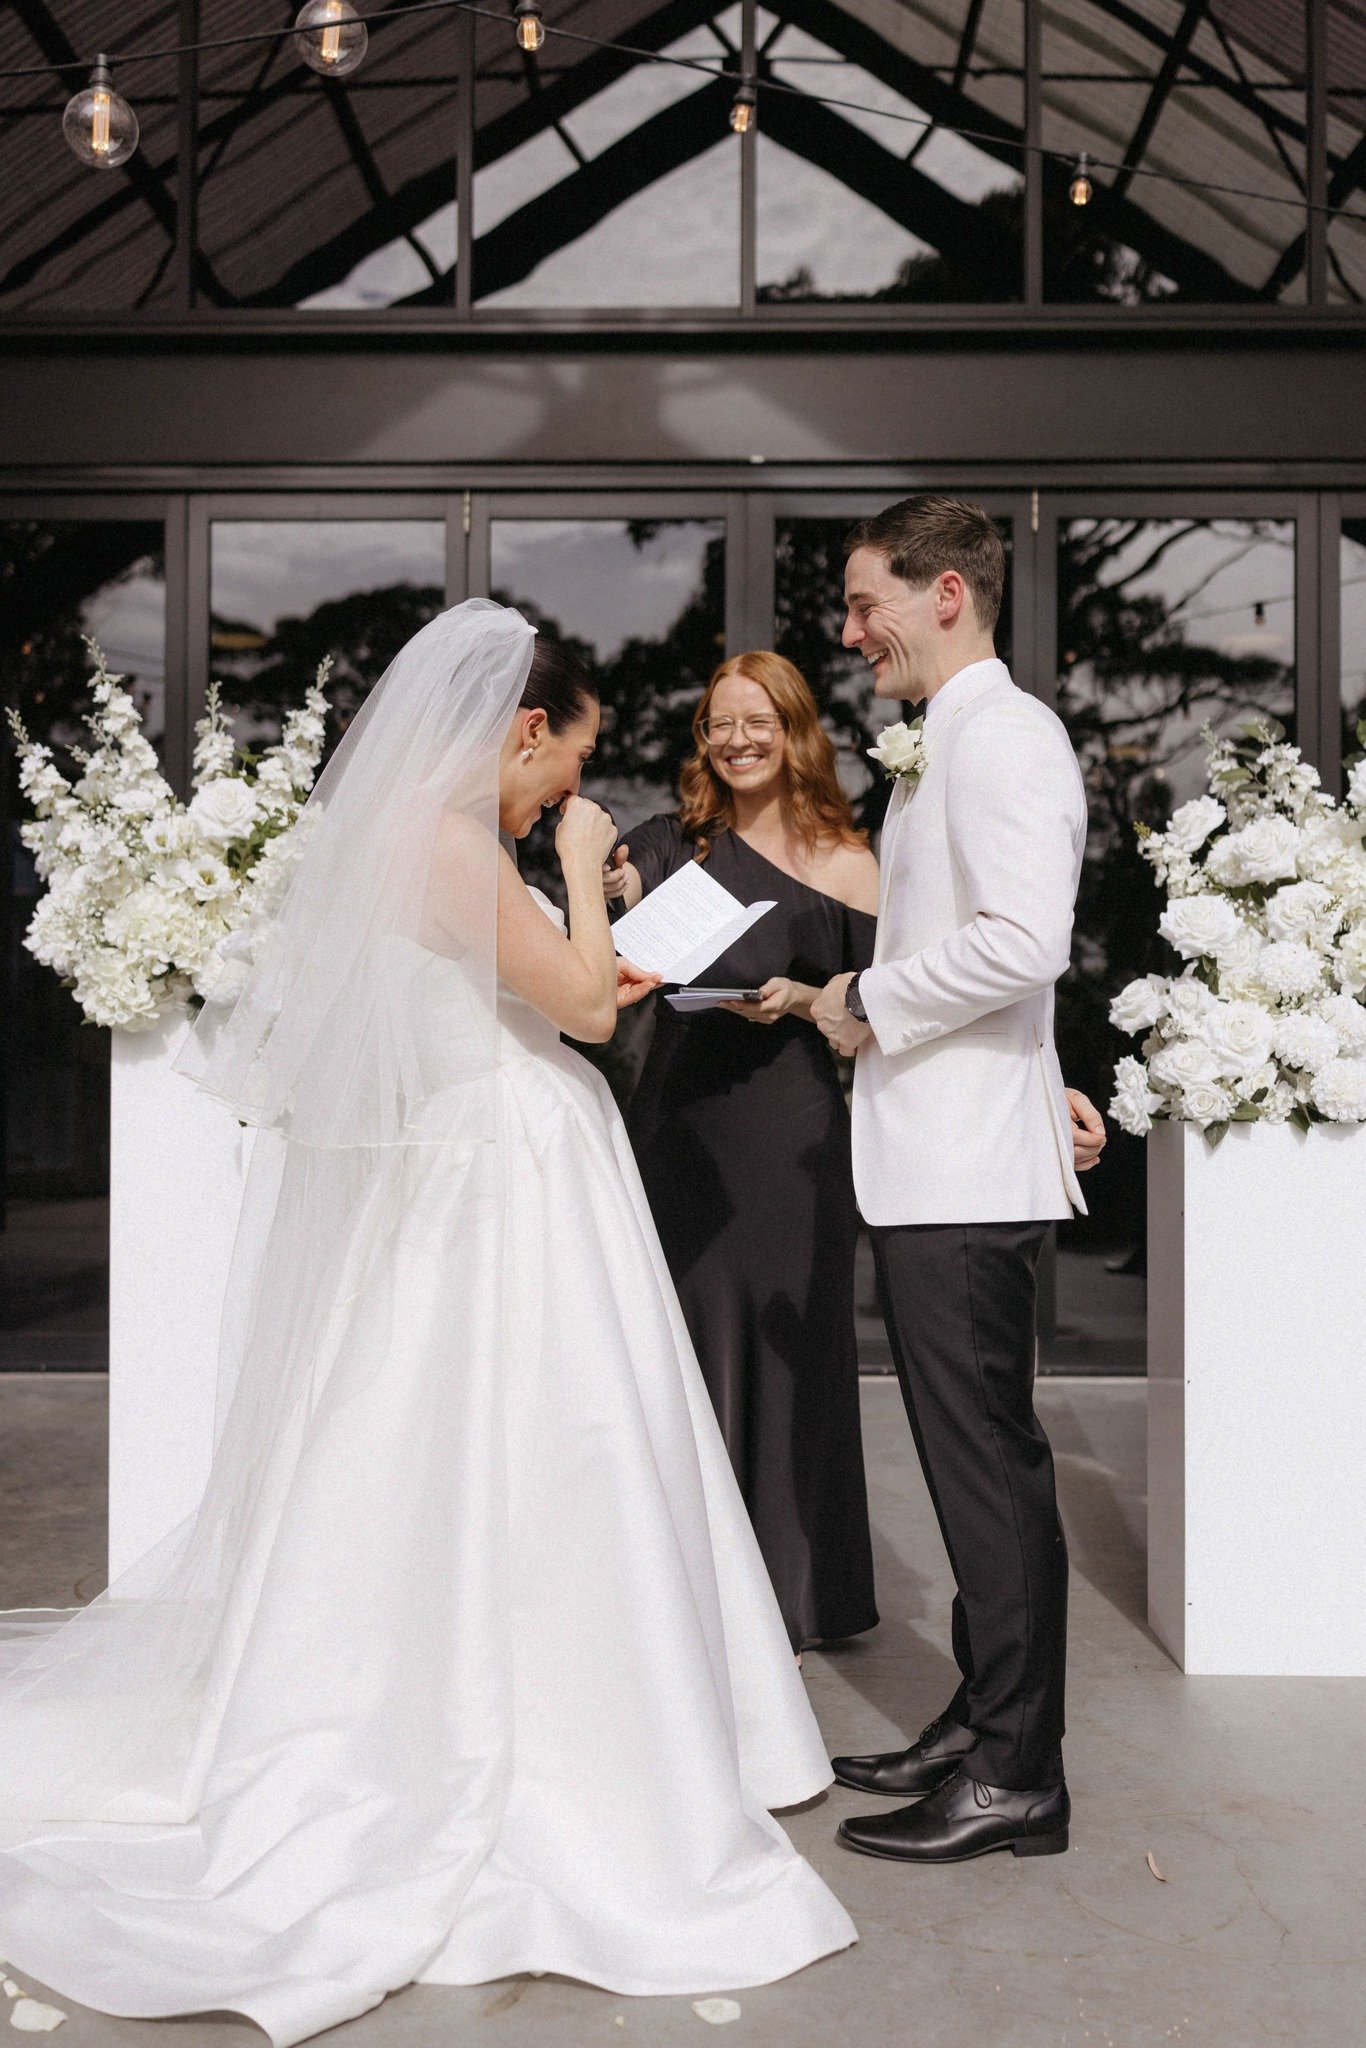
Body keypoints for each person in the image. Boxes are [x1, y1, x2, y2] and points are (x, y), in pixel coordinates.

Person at [0, 602, 855, 2045]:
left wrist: (578, 937)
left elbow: (533, 993)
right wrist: (582, 874)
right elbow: (586, 1013)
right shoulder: (454, 842)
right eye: (567, 763)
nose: (570, 791)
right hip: (502, 1175)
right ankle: (558, 1734)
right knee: (535, 1444)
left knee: (478, 1444)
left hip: (488, 1158)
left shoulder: (431, 840)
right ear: (523, 732)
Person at [811, 496, 1103, 1865]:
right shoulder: (947, 741)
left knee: (987, 1475)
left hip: (961, 1176)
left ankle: (1014, 1775)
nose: (849, 630)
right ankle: (982, 1722)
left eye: (864, 602)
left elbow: (1024, 942)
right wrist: (1040, 1079)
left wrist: (867, 996)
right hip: (949, 1156)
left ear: (944, 594)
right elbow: (998, 957)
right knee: (972, 1467)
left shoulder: (1005, 737)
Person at [605, 651, 880, 1656]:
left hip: (790, 1128)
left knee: (791, 1350)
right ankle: (682, 1596)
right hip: (678, 1124)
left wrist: (805, 1000)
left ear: (796, 729)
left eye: (758, 720)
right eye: (718, 723)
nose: (736, 740)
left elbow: (887, 1009)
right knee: (676, 1344)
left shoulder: (851, 862)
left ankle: (795, 1597)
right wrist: (614, 893)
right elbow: (608, 951)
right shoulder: (666, 843)